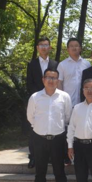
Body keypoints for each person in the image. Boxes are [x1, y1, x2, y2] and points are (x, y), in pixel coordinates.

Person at [26, 68, 72, 182]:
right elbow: (30, 117)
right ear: (43, 79)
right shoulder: (35, 97)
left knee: (59, 172)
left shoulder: (64, 97)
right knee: (40, 173)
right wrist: (41, 128)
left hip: (58, 139)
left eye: (54, 78)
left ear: (58, 80)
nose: (51, 81)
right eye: (48, 77)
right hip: (39, 139)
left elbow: (67, 117)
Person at [25, 36, 58, 169]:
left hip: (52, 99)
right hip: (38, 100)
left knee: (51, 127)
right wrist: (39, 96)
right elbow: (29, 83)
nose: (44, 48)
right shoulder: (31, 64)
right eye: (41, 45)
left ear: (50, 47)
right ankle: (33, 156)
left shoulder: (55, 64)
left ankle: (51, 156)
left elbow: (57, 82)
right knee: (34, 128)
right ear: (38, 48)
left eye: (46, 45)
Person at [58, 38, 91, 107]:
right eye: (71, 46)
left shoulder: (87, 64)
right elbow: (59, 83)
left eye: (76, 46)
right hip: (67, 103)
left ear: (80, 48)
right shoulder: (62, 65)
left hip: (84, 103)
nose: (74, 48)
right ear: (68, 49)